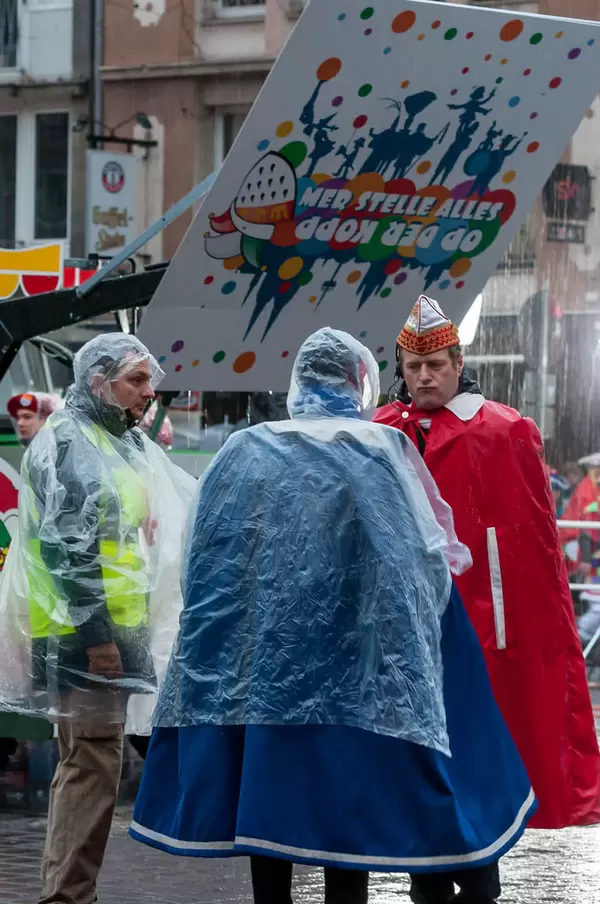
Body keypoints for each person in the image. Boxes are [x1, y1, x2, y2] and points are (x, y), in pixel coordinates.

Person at [130, 328, 535, 904]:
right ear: (357, 381)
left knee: (267, 802)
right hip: (352, 672)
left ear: (299, 381)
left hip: (264, 670)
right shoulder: (378, 449)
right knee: (344, 807)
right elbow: (424, 562)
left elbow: (204, 559)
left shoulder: (244, 450)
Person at [373, 295, 600, 840]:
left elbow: (537, 551)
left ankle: (477, 859)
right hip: (400, 620)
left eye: (435, 364)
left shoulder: (505, 430)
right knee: (409, 759)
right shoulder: (379, 430)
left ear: (458, 363)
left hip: (480, 619)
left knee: (481, 745)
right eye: (414, 366)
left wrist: (524, 626)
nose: (424, 376)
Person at [0, 333, 195, 904]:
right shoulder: (73, 445)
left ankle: (65, 891)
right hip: (86, 635)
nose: (148, 391)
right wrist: (97, 639)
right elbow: (72, 550)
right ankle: (67, 897)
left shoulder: (108, 441)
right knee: (92, 761)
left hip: (106, 629)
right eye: (136, 380)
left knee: (86, 761)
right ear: (98, 383)